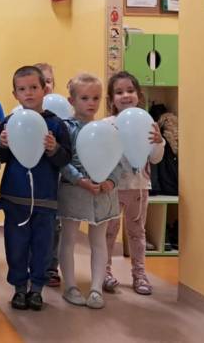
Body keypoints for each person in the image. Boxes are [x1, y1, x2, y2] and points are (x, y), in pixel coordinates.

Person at [0, 66, 71, 312]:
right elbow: (1, 158)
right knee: (15, 246)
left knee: (43, 247)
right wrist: (2, 144)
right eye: (22, 89)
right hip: (14, 198)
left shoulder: (56, 124)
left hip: (45, 199)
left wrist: (54, 149)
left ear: (45, 89)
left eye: (33, 87)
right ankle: (19, 288)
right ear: (15, 94)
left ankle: (36, 289)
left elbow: (65, 159)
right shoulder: (9, 122)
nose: (28, 93)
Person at [58, 73, 120, 309]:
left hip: (102, 193)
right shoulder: (65, 128)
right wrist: (79, 180)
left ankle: (95, 288)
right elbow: (62, 161)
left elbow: (117, 160)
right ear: (72, 101)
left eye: (96, 98)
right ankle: (70, 286)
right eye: (84, 98)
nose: (91, 103)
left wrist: (111, 181)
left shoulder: (107, 129)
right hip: (74, 190)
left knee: (98, 241)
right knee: (68, 238)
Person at [103, 71, 164, 296]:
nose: (125, 95)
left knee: (137, 233)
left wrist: (159, 142)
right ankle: (104, 272)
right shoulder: (107, 124)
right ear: (112, 99)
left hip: (138, 187)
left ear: (139, 95)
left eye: (130, 91)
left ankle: (139, 275)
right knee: (108, 232)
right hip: (112, 188)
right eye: (119, 92)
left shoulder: (148, 123)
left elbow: (155, 158)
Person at [34, 61, 60, 287]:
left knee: (53, 226)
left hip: (53, 183)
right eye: (39, 82)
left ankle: (51, 267)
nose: (45, 86)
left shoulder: (59, 115)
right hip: (29, 183)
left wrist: (55, 147)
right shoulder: (18, 115)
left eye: (48, 81)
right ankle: (30, 266)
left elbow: (66, 152)